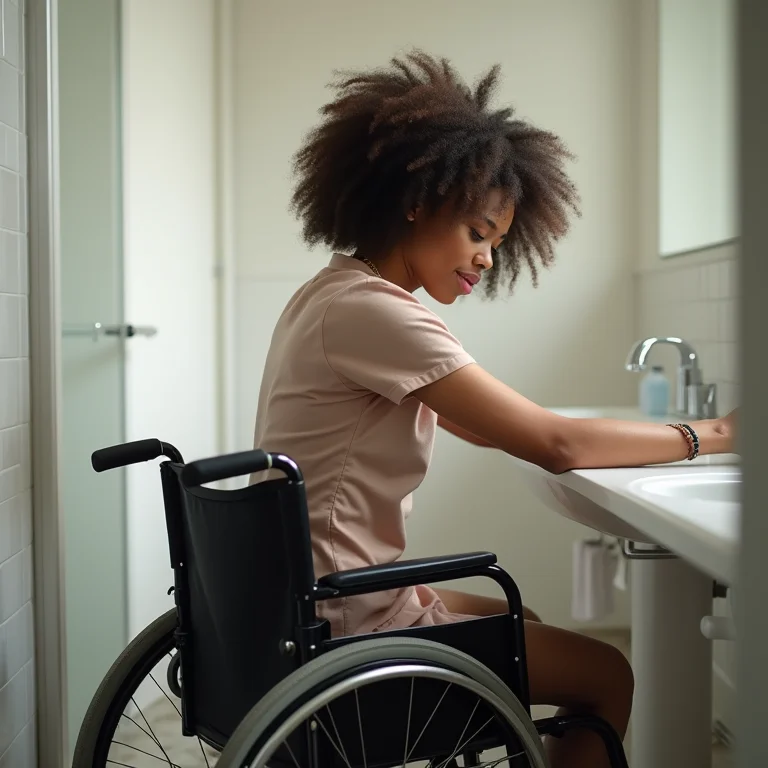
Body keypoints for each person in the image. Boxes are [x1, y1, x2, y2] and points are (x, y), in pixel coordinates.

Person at [251, 51, 736, 768]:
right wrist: (716, 433)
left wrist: (575, 431)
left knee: (521, 621)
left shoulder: (332, 293)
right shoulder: (376, 312)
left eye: (497, 243)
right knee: (607, 674)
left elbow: (485, 426)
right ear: (417, 202)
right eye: (477, 233)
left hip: (309, 597)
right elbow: (556, 445)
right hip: (347, 615)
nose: (486, 259)